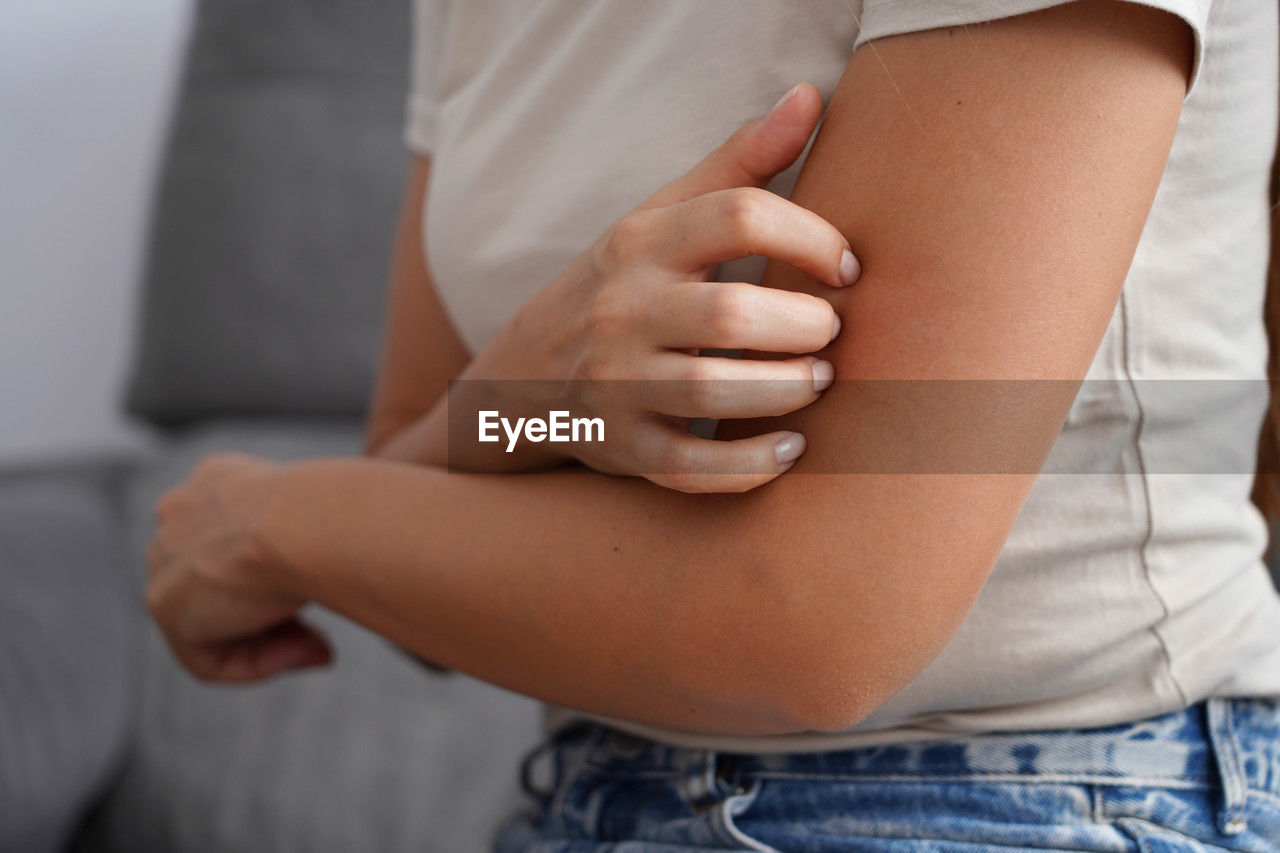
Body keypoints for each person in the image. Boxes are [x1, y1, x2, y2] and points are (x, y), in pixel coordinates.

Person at [144, 0, 1280, 849]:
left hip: (1031, 794)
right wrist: (525, 400)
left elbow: (812, 625)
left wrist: (271, 518)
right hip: (584, 794)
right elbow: (426, 555)